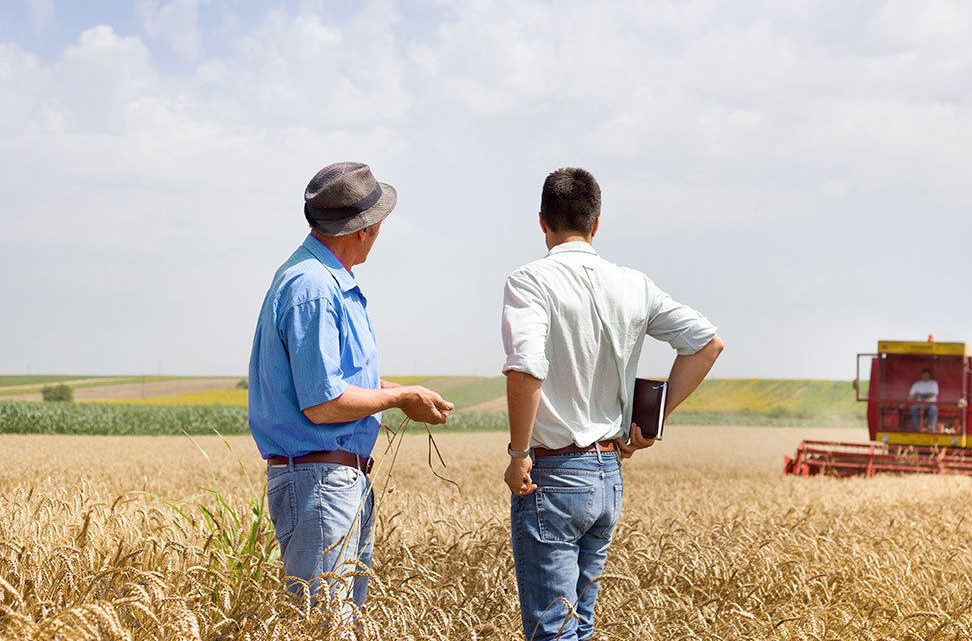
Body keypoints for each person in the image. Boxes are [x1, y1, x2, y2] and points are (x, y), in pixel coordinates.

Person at [501, 167, 725, 641]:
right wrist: (653, 419)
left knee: (553, 633)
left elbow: (525, 367)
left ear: (542, 221)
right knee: (579, 628)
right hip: (607, 477)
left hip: (555, 475)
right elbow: (707, 344)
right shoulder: (634, 284)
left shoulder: (530, 281)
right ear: (596, 224)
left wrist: (519, 455)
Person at [248, 161, 454, 613]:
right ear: (363, 230)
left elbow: (330, 380)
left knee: (338, 619)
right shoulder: (317, 288)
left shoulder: (316, 279)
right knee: (326, 623)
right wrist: (400, 398)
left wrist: (389, 389)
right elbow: (323, 403)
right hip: (321, 482)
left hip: (329, 480)